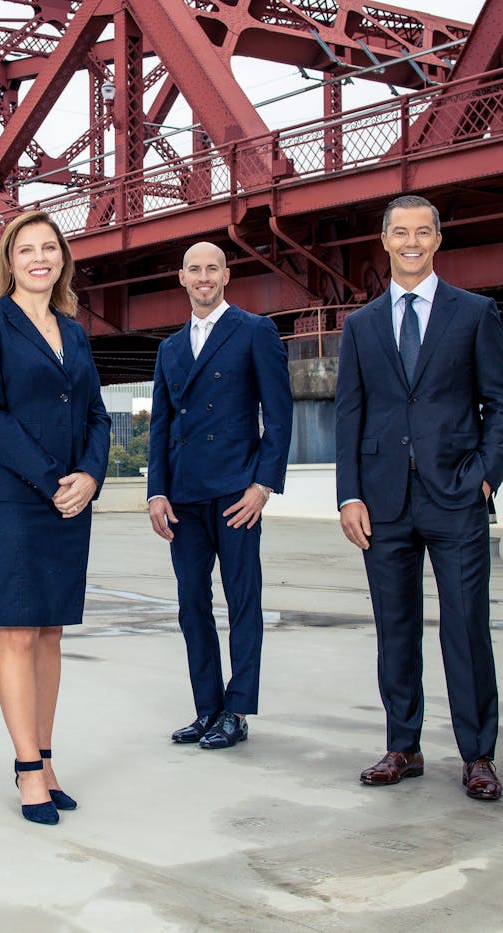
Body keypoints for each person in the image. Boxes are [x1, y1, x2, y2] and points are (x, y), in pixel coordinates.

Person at [334, 194, 503, 801]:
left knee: (466, 628)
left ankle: (478, 756)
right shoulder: (360, 325)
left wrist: (487, 474)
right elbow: (350, 415)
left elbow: (501, 404)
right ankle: (403, 746)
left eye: (423, 232)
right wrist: (348, 496)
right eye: (400, 233)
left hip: (457, 494)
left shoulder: (474, 313)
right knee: (395, 628)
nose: (411, 242)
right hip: (383, 502)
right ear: (384, 241)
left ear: (438, 240)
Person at [0, 210, 112, 825]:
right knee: (17, 631)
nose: (40, 258)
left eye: (50, 248)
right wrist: (54, 481)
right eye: (27, 249)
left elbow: (98, 414)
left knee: (51, 632)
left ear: (62, 259)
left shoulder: (73, 330)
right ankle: (26, 770)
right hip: (13, 500)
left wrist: (92, 478)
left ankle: (45, 760)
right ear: (9, 259)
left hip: (71, 499)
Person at [147, 242, 293, 751]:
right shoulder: (169, 349)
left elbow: (278, 416)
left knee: (243, 601)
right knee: (193, 607)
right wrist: (156, 491)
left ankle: (237, 709)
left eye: (212, 268)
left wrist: (263, 486)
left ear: (226, 276)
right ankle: (207, 708)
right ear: (181, 278)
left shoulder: (255, 331)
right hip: (183, 497)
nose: (204, 277)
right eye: (195, 270)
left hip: (236, 494)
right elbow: (162, 427)